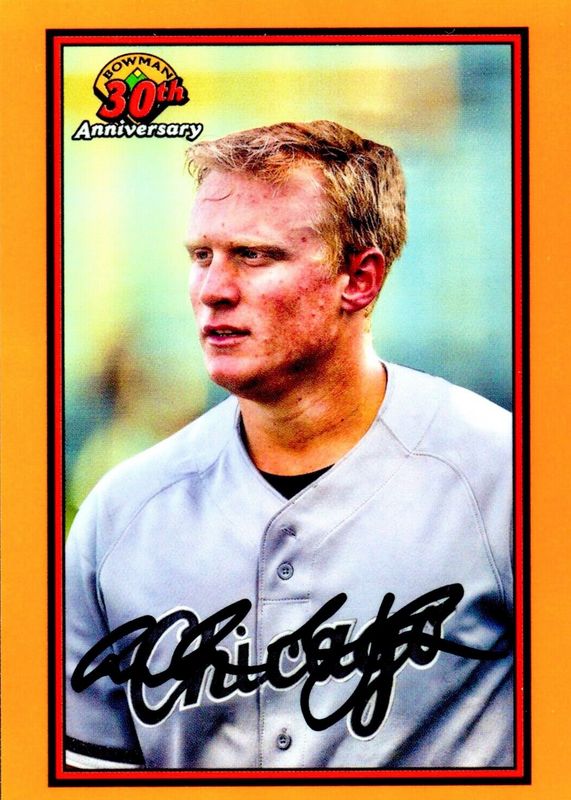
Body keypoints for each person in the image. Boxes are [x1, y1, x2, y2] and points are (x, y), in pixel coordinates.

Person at [65, 121, 513, 771]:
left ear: (359, 279)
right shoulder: (122, 510)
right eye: (201, 256)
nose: (213, 289)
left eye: (254, 255)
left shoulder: (507, 477)